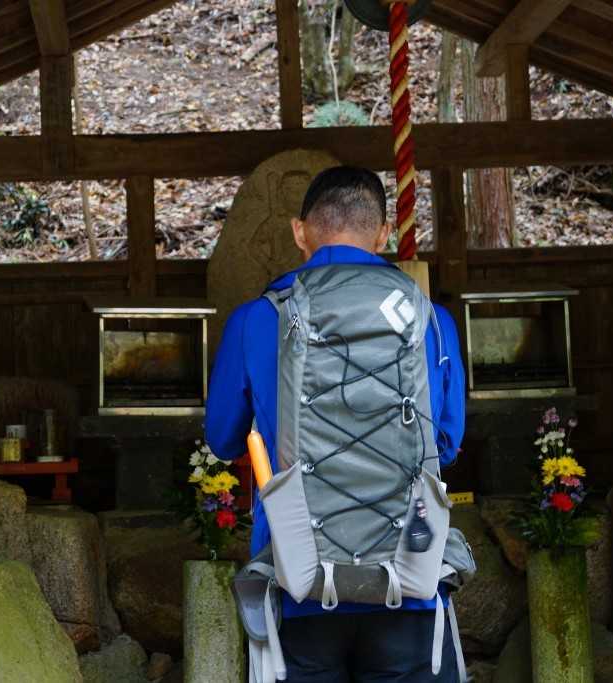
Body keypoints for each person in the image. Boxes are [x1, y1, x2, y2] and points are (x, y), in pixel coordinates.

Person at [206, 166, 466, 682]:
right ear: (383, 234)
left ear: (299, 232)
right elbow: (447, 444)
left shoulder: (257, 318)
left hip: (298, 578)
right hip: (409, 577)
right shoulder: (431, 320)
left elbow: (222, 439)